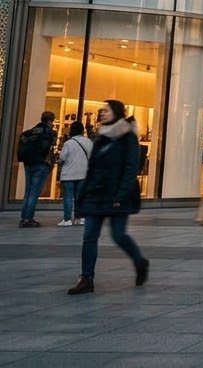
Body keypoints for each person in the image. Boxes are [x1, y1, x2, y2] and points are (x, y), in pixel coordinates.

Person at [67, 101, 149, 295]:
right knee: (89, 237)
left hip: (118, 195)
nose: (101, 113)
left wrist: (121, 194)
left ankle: (140, 262)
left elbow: (130, 168)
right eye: (101, 111)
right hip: (96, 194)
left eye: (106, 110)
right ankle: (86, 277)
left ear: (117, 113)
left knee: (118, 235)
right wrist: (83, 195)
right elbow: (93, 168)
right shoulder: (101, 137)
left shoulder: (128, 137)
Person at [17, 110, 57, 227]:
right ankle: (28, 219)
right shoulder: (46, 132)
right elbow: (45, 149)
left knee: (28, 191)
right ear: (49, 121)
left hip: (28, 163)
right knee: (34, 192)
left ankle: (24, 217)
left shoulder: (31, 131)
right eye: (52, 121)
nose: (52, 124)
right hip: (39, 164)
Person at [57, 121, 92, 227]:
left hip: (68, 174)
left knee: (68, 196)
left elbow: (62, 157)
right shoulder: (89, 142)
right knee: (79, 196)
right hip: (82, 173)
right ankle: (80, 217)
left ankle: (67, 219)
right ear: (82, 130)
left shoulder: (68, 143)